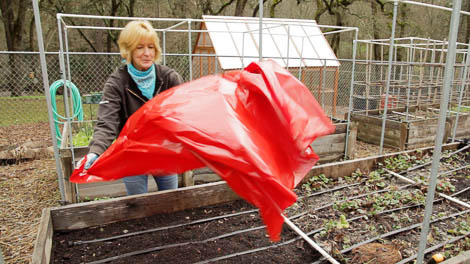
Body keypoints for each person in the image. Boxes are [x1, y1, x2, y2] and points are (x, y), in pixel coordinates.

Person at [78, 20, 183, 195]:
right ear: (128, 50)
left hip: (163, 152)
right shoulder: (117, 83)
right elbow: (107, 122)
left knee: (170, 200)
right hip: (132, 153)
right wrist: (95, 152)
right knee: (137, 205)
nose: (147, 53)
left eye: (151, 47)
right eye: (140, 47)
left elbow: (183, 115)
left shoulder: (169, 78)